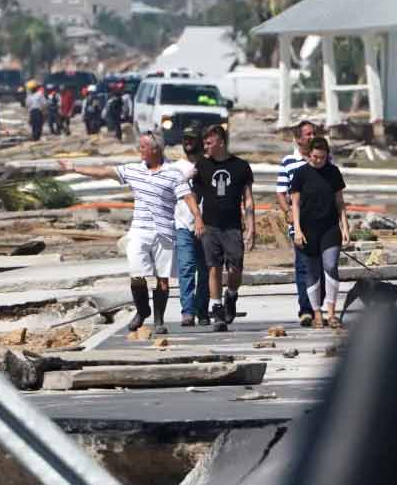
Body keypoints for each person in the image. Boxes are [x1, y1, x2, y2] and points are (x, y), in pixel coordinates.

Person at [59, 132, 204, 335]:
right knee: (137, 275)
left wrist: (197, 217)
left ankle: (159, 320)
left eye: (143, 147)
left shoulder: (173, 173)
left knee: (162, 279)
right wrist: (74, 167)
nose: (140, 151)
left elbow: (187, 196)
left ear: (155, 150)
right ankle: (142, 310)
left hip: (164, 232)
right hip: (139, 231)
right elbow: (104, 172)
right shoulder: (133, 170)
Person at [191, 124, 255, 332]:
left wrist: (251, 227)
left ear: (220, 141)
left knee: (235, 267)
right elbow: (194, 196)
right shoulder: (202, 165)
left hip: (233, 226)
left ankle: (232, 295)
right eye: (204, 143)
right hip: (210, 225)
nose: (206, 147)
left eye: (209, 143)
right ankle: (216, 308)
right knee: (214, 267)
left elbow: (248, 200)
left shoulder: (241, 166)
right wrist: (197, 219)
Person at [290, 135, 350, 329]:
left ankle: (331, 312)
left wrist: (345, 227)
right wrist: (297, 230)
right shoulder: (300, 174)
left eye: (322, 157)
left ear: (327, 156)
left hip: (330, 228)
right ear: (309, 155)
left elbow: (340, 202)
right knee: (313, 271)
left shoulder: (333, 173)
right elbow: (295, 205)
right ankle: (317, 312)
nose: (318, 160)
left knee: (331, 266)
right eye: (315, 157)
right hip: (308, 229)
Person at [276, 119, 322, 326]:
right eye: (308, 134)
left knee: (321, 265)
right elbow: (281, 192)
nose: (312, 137)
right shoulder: (289, 162)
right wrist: (288, 212)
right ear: (298, 139)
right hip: (299, 222)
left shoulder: (322, 159)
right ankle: (305, 309)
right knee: (303, 265)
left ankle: (318, 306)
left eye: (314, 133)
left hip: (322, 221)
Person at [173, 127, 210, 326]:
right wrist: (189, 175)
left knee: (205, 270)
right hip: (183, 224)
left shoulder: (209, 165)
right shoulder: (176, 167)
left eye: (192, 139)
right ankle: (187, 311)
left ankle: (202, 310)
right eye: (185, 139)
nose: (188, 142)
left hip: (207, 226)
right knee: (186, 268)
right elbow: (171, 190)